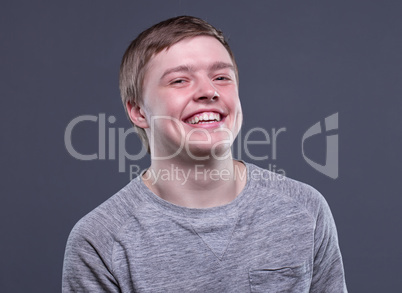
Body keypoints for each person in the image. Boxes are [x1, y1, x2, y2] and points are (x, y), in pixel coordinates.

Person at [62, 16, 347, 292]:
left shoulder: (305, 210)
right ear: (138, 111)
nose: (208, 91)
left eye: (221, 77)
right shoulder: (99, 241)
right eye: (179, 80)